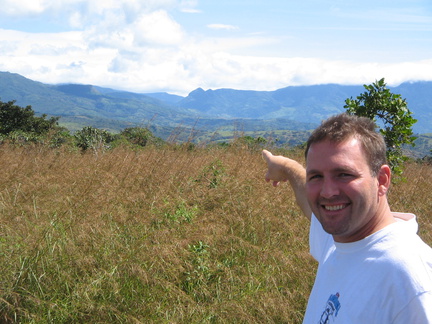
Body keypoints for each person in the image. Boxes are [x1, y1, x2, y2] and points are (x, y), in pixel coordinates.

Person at [262, 113, 432, 323]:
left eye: (344, 174)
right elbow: (309, 203)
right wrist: (285, 166)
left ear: (382, 179)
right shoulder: (342, 238)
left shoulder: (407, 278)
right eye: (316, 176)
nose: (327, 192)